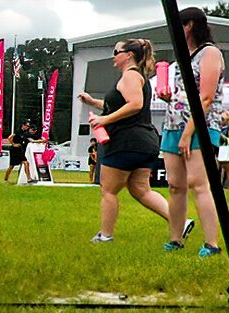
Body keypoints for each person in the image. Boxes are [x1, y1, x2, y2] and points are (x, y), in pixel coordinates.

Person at [78, 38, 171, 243]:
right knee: (141, 190)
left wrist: (104, 119)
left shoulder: (129, 76)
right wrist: (93, 102)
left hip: (125, 142)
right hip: (145, 142)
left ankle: (105, 235)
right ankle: (180, 222)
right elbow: (121, 103)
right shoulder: (138, 77)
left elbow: (135, 104)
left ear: (128, 55)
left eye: (116, 51)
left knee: (108, 190)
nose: (114, 56)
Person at [158, 7, 220, 257]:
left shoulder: (210, 53)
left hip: (200, 127)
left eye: (178, 26)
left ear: (190, 25)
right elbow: (182, 94)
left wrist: (188, 133)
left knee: (198, 183)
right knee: (175, 185)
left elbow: (206, 97)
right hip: (172, 124)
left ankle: (211, 243)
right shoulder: (180, 58)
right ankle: (176, 238)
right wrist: (167, 98)